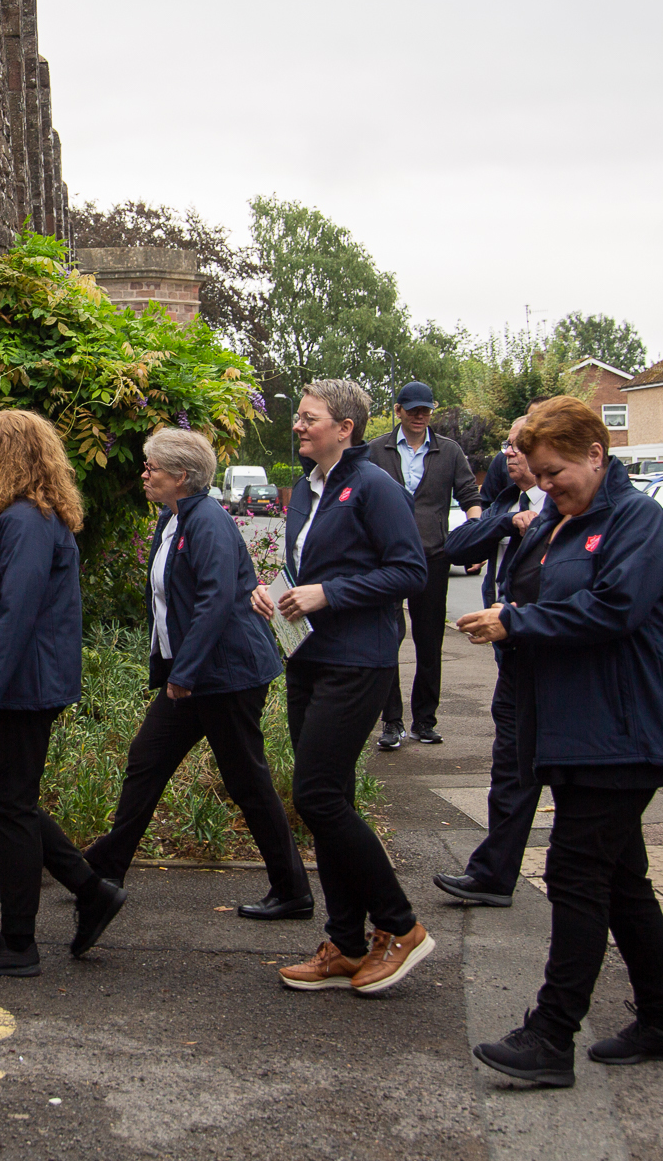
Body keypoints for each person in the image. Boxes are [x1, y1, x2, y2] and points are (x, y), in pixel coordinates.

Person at [456, 396, 663, 1087]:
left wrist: (516, 623)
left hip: (622, 731)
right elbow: (501, 571)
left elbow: (615, 609)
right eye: (535, 473)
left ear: (596, 453)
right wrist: (508, 612)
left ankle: (550, 1035)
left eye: (555, 470)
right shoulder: (559, 519)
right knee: (621, 881)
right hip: (575, 727)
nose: (545, 483)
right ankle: (662, 1022)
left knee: (574, 874)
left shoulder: (636, 522)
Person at [82, 428, 312, 921]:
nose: (144, 474)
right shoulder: (175, 517)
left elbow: (212, 602)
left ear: (181, 476)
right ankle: (103, 870)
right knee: (147, 760)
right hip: (197, 675)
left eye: (152, 467)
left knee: (247, 781)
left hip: (225, 675)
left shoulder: (206, 520)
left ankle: (293, 891)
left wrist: (182, 672)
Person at [252, 378, 434, 996]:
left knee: (318, 795)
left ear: (345, 428)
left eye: (310, 418)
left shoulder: (375, 486)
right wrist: (274, 591)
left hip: (358, 661)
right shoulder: (306, 489)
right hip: (308, 656)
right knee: (330, 801)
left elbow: (409, 570)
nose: (298, 426)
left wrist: (327, 595)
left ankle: (401, 927)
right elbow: (305, 568)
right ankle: (347, 944)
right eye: (299, 417)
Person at [0, 410, 123, 976]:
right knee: (7, 799)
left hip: (20, 690)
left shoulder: (24, 521)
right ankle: (90, 889)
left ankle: (19, 944)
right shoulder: (18, 518)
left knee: (9, 806)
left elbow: (15, 617)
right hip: (21, 686)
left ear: (9, 454)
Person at [432, 418, 550, 908]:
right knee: (511, 769)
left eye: (523, 446)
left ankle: (596, 880)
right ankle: (494, 875)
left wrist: (518, 619)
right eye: (508, 445)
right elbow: (454, 547)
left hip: (551, 657)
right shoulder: (507, 503)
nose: (512, 454)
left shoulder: (568, 510)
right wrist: (505, 522)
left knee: (577, 786)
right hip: (513, 656)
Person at [365, 381, 482, 749]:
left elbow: (469, 495)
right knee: (388, 638)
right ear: (397, 410)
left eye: (426, 410)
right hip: (386, 561)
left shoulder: (448, 452)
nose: (419, 416)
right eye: (412, 409)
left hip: (433, 556)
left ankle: (425, 721)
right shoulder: (373, 451)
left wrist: (476, 533)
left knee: (429, 642)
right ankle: (392, 722)